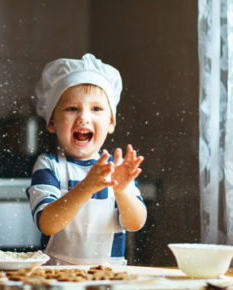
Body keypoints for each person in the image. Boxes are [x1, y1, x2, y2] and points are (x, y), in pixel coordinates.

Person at [27, 53, 147, 265]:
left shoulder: (116, 170)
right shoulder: (49, 165)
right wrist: (87, 187)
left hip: (109, 279)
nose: (84, 117)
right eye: (72, 108)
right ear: (52, 121)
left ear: (111, 122)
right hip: (56, 278)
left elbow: (135, 222)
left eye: (96, 109)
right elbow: (47, 223)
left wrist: (121, 190)